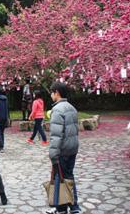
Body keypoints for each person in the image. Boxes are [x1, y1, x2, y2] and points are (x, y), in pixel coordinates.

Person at [46, 82, 80, 214]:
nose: (51, 95)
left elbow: (56, 135)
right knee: (67, 177)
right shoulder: (71, 107)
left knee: (64, 179)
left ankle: (74, 207)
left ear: (56, 92)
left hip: (63, 150)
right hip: (72, 148)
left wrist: (53, 154)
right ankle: (62, 208)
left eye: (51, 92)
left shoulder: (58, 109)